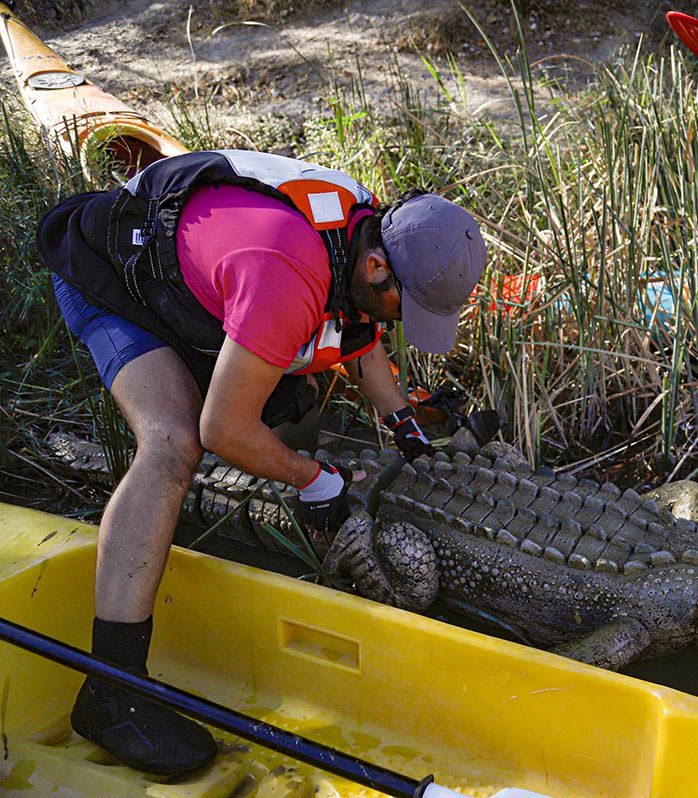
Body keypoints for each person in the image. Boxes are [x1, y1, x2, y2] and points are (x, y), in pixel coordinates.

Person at [36, 150, 487, 777]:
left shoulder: (362, 229)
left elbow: (358, 333)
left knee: (278, 404)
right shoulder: (286, 270)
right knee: (173, 445)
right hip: (113, 274)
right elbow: (221, 430)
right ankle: (112, 689)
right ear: (379, 263)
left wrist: (403, 422)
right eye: (403, 307)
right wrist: (313, 478)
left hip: (199, 271)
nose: (403, 323)